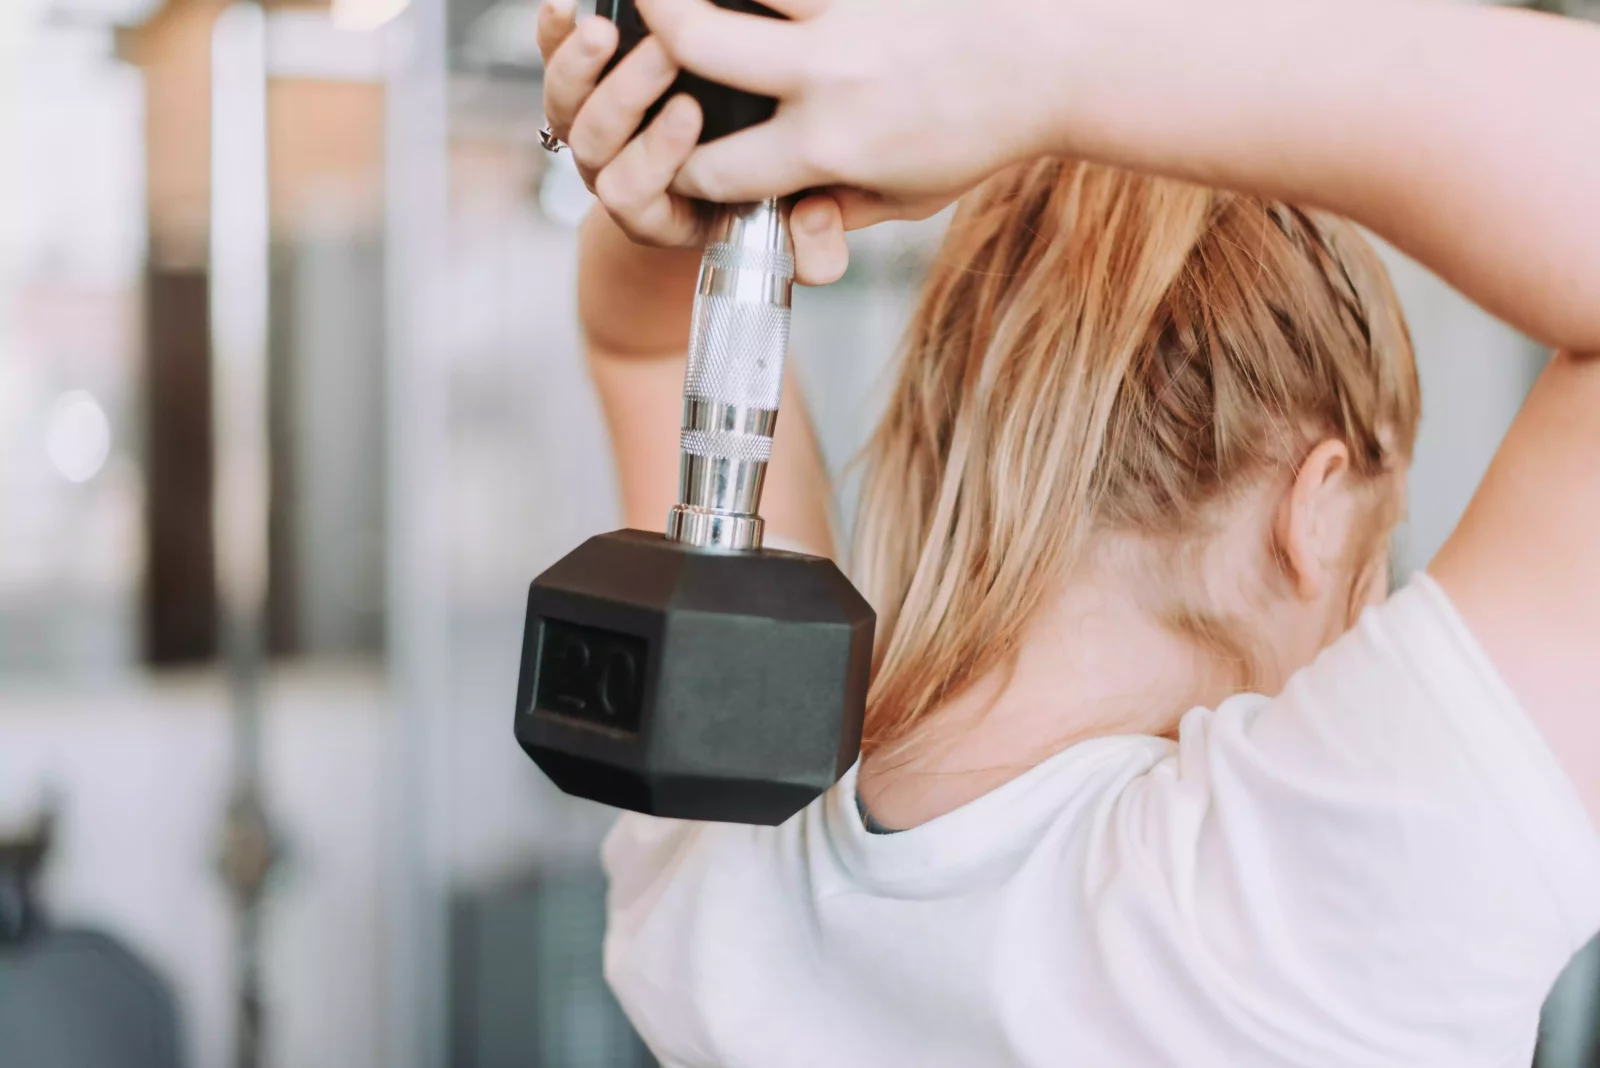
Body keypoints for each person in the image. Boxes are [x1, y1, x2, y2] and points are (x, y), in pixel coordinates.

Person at [536, 0, 1600, 1062]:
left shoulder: (725, 830)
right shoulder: (1294, 925)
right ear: (1312, 510)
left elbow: (640, 339)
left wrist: (689, 152)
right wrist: (1022, 58)